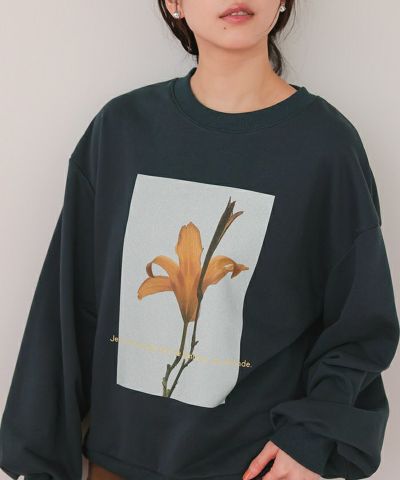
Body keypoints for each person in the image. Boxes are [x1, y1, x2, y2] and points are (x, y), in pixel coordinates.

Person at [0, 1, 399, 479]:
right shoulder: (121, 131)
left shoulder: (326, 148)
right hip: (115, 465)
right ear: (175, 2)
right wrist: (40, 460)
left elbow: (360, 322)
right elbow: (66, 310)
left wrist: (310, 438)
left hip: (255, 469)